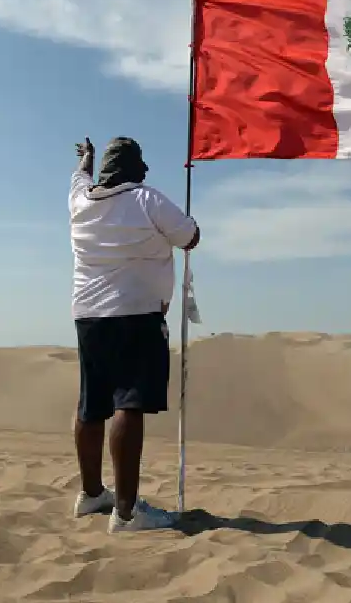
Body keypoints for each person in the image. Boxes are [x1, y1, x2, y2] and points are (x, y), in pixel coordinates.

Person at [68, 135, 200, 532]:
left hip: (88, 316)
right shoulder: (147, 200)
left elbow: (77, 178)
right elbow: (190, 237)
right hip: (136, 315)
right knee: (129, 403)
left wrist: (85, 162)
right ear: (135, 170)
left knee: (91, 405)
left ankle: (92, 494)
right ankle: (126, 513)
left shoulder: (79, 202)